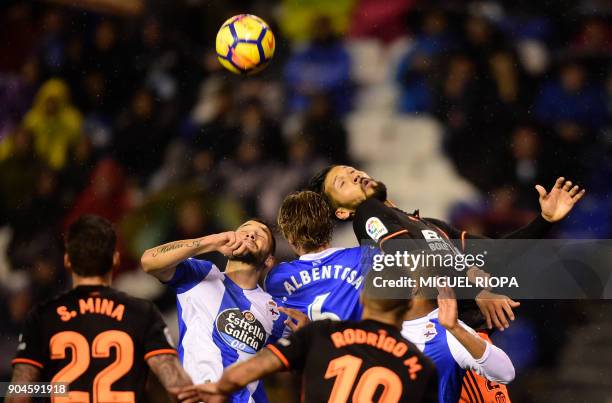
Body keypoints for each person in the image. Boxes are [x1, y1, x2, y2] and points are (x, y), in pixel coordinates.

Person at [308, 165, 585, 330]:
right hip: (432, 340)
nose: (355, 176)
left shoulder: (429, 225)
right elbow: (412, 260)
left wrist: (544, 221)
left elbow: (497, 256)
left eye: (353, 170)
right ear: (342, 212)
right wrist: (475, 289)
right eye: (342, 182)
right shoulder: (368, 214)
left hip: (462, 341)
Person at [178, 267, 439, 403]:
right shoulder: (422, 368)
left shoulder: (321, 334)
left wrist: (219, 388)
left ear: (364, 297)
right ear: (407, 305)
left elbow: (245, 372)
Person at [7, 215, 192, 403]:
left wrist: (61, 388)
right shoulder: (142, 313)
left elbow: (18, 395)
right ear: (115, 259)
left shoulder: (42, 317)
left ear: (67, 261)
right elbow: (179, 389)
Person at [141, 219, 303, 402]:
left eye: (261, 234)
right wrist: (213, 241)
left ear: (269, 260)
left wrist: (305, 336)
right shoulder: (201, 274)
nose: (251, 234)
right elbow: (148, 261)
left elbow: (305, 357)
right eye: (245, 230)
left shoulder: (276, 311)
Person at [266, 190, 376, 321]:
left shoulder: (277, 278)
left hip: (309, 341)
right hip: (359, 339)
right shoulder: (367, 256)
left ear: (290, 238)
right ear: (329, 226)